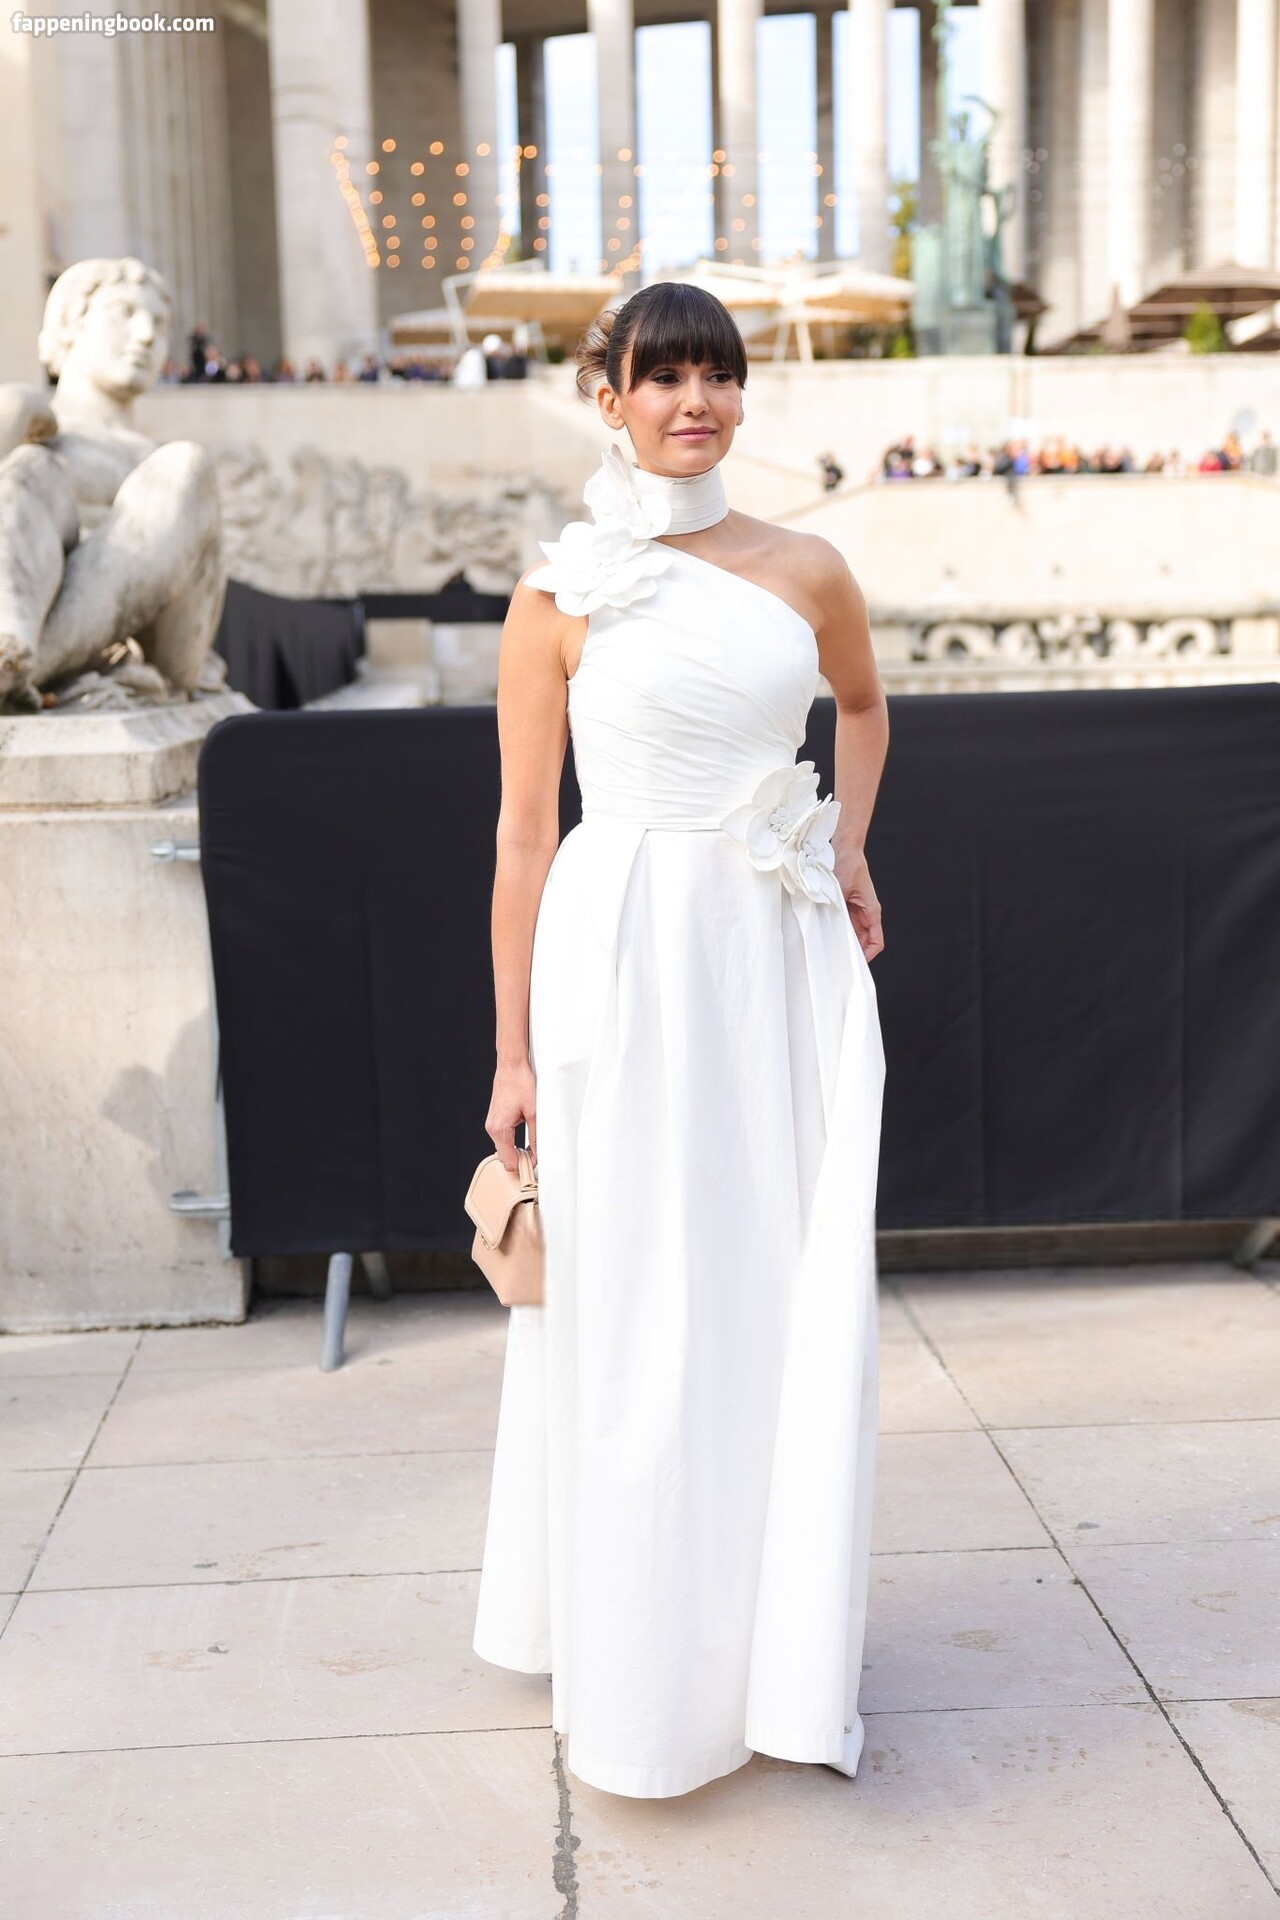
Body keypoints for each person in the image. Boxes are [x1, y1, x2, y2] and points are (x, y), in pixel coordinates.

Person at [471, 281, 889, 1800]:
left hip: (778, 959)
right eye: (664, 376)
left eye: (717, 374)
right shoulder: (559, 595)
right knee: (640, 1303)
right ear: (612, 399)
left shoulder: (810, 566)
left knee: (779, 1292)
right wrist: (514, 1057)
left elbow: (862, 708)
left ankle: (777, 1656)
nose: (695, 401)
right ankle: (645, 1667)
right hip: (624, 964)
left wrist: (845, 847)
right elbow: (526, 838)